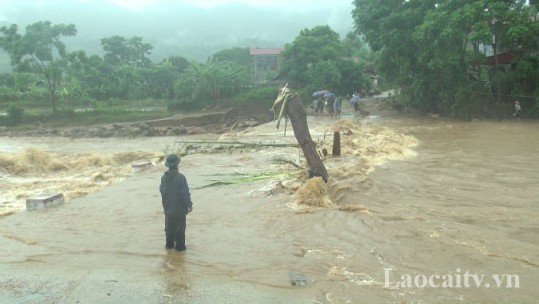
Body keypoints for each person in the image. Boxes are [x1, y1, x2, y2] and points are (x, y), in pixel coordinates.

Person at [160, 154, 193, 251]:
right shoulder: (181, 178)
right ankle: (179, 254)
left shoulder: (163, 178)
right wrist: (189, 205)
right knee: (180, 232)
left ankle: (169, 253)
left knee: (169, 231)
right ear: (177, 164)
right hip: (179, 210)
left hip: (168, 209)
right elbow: (185, 193)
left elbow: (162, 191)